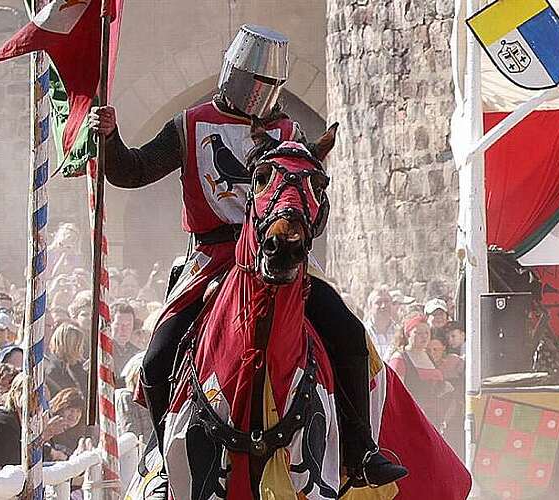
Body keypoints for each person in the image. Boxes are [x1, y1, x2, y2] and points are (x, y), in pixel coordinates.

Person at [89, 25, 405, 485]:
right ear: (233, 76)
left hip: (281, 255)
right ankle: (162, 459)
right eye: (252, 85)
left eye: (267, 88)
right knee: (158, 357)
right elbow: (132, 171)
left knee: (350, 334)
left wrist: (303, 219)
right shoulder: (189, 124)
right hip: (214, 259)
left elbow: (313, 197)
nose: (258, 96)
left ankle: (360, 451)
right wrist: (111, 138)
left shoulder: (286, 130)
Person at [364, 287, 400, 358]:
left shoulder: (399, 332)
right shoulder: (363, 331)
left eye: (386, 301)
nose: (383, 306)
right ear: (370, 307)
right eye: (378, 302)